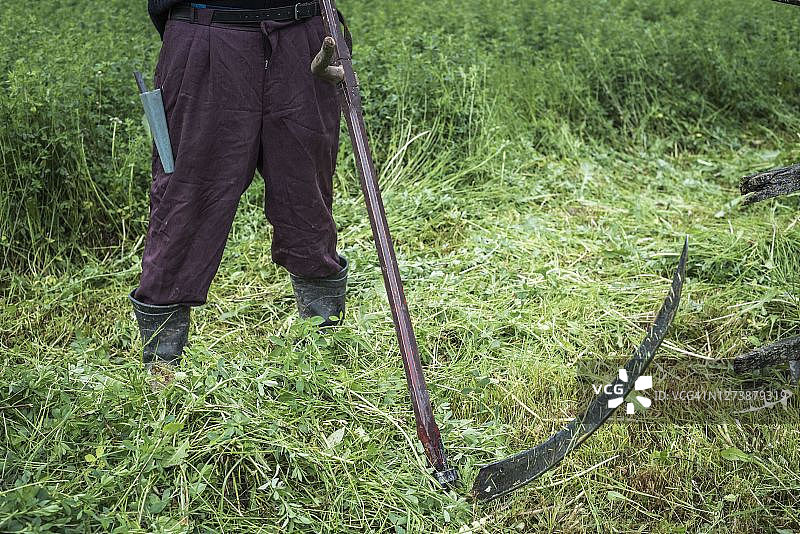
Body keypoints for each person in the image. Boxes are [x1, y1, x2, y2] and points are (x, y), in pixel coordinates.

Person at [131, 0, 348, 378]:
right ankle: (161, 372)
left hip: (304, 38)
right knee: (185, 202)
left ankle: (323, 351)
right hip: (205, 37)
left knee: (307, 198)